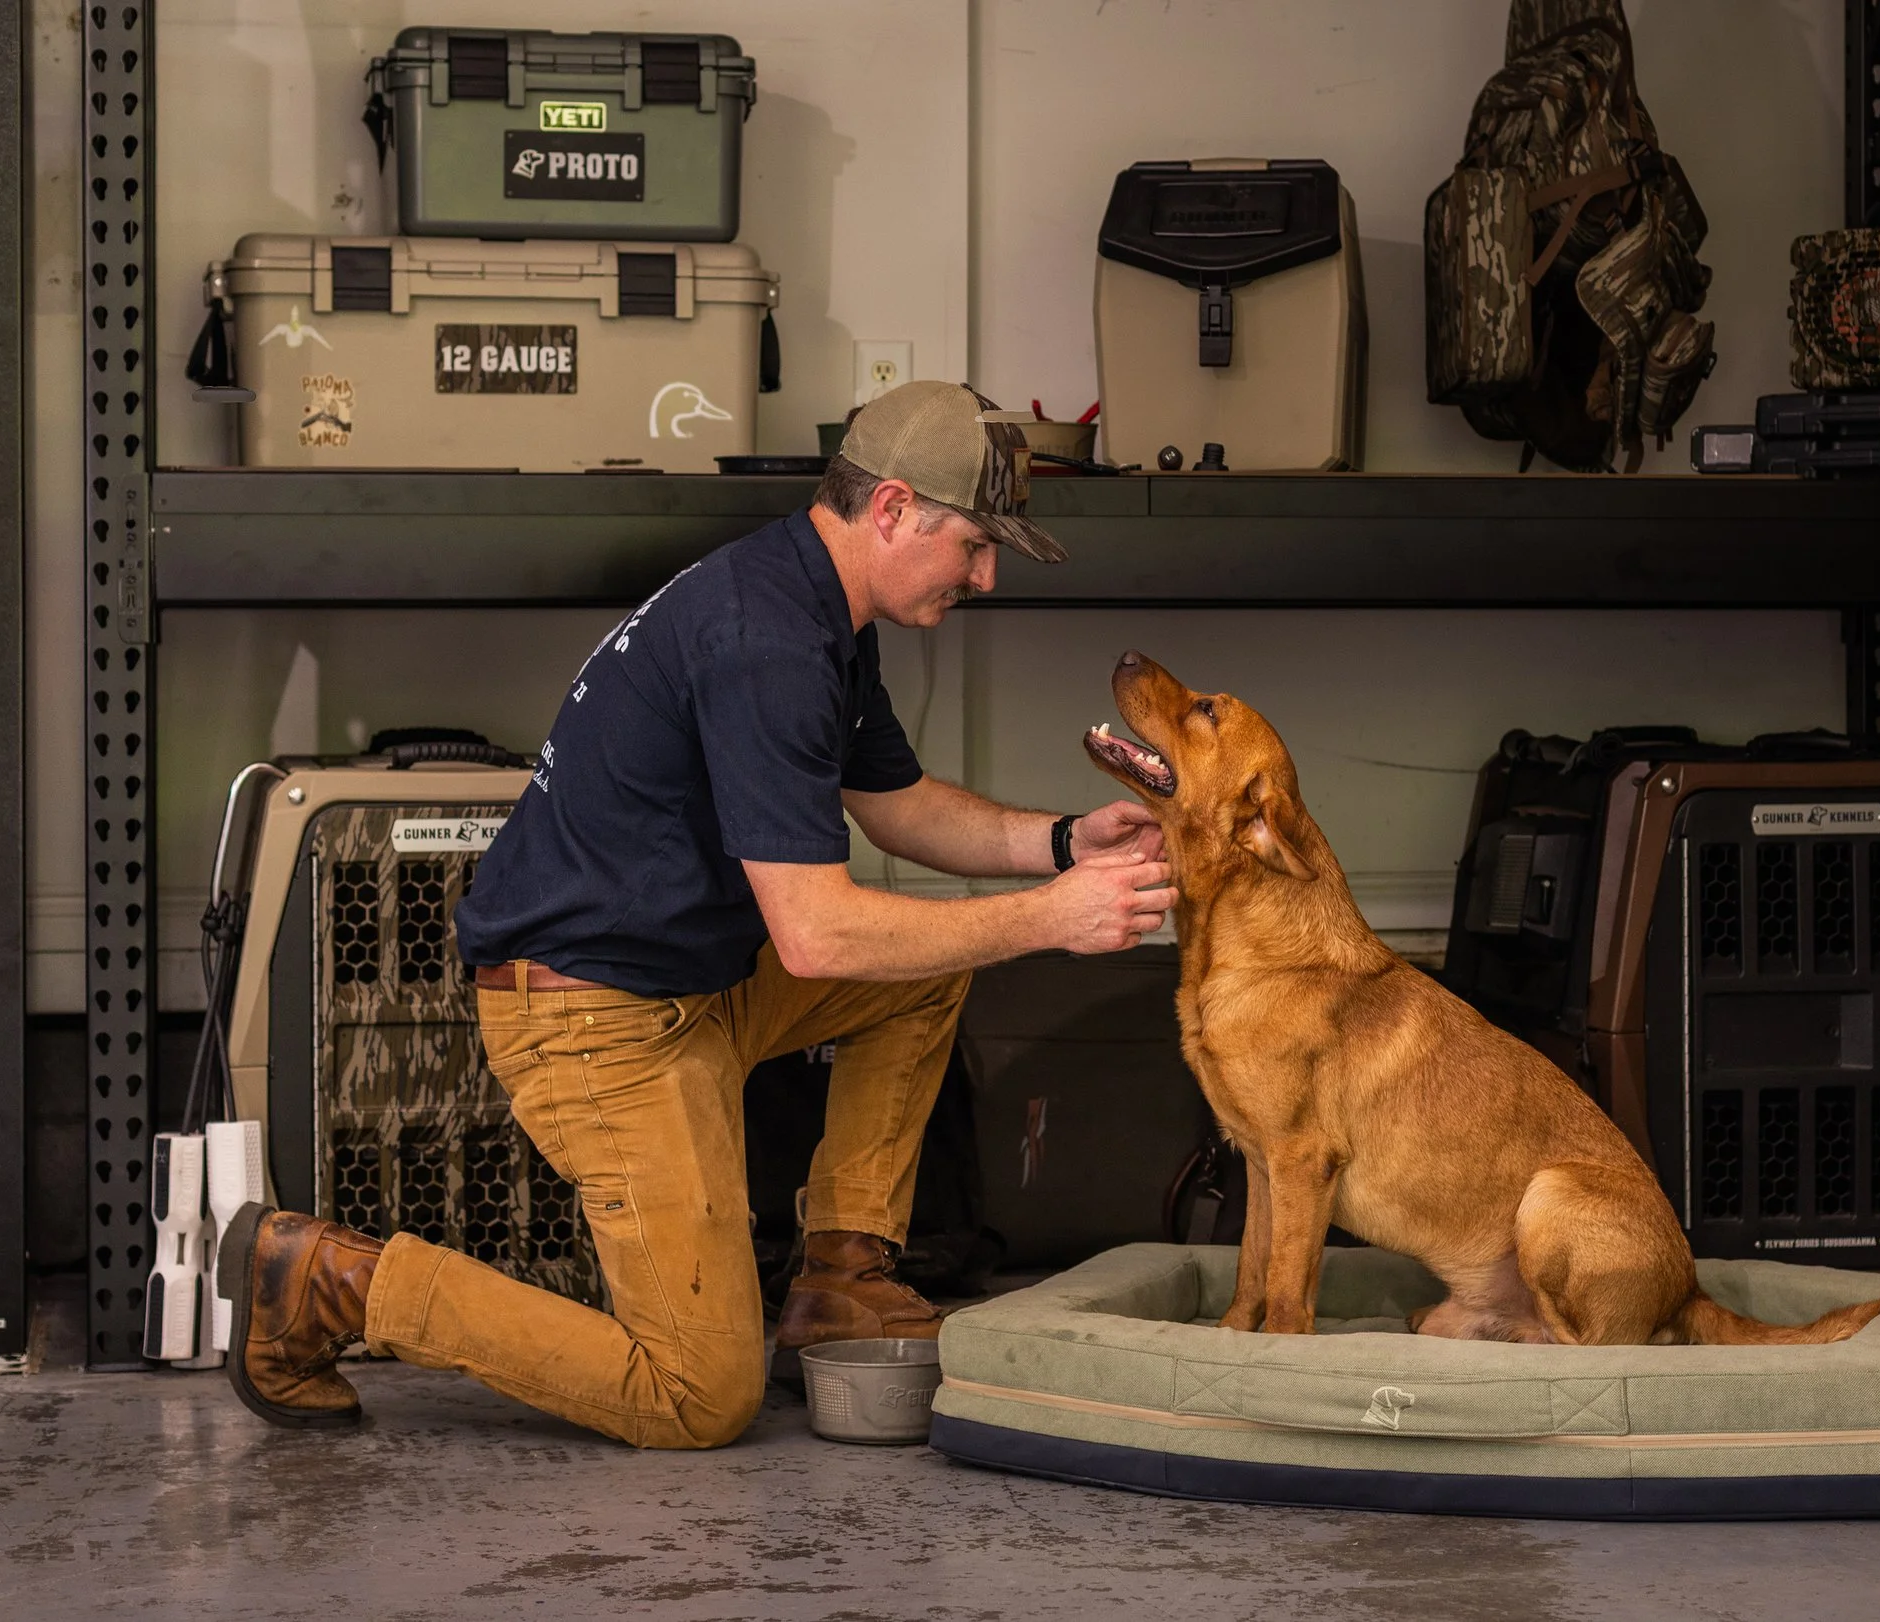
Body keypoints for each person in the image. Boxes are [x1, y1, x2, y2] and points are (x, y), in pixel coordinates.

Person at [217, 382, 1175, 1448]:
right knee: (696, 1395)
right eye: (974, 543)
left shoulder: (818, 606)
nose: (985, 575)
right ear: (894, 507)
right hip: (593, 1023)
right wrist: (1050, 917)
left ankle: (842, 1279)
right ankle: (333, 1280)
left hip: (691, 985)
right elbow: (816, 935)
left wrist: (1056, 844)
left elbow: (895, 806)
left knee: (922, 971)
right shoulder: (766, 639)